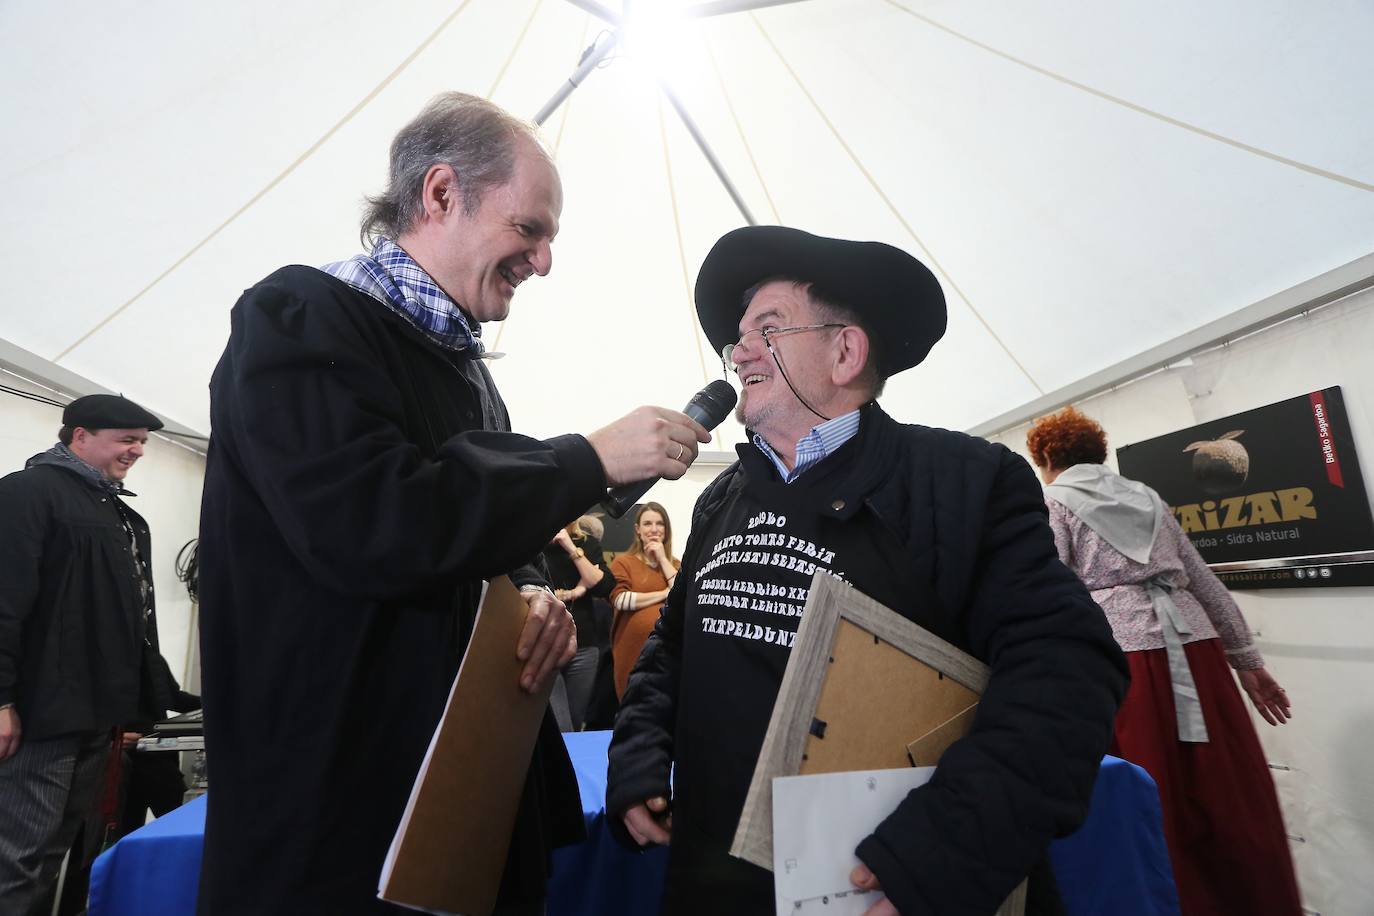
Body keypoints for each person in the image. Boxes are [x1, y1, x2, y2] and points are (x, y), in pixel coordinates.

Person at [197, 91, 711, 915]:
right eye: (529, 230)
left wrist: (533, 598)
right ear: (441, 194)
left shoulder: (474, 377)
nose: (542, 261)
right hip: (341, 827)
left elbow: (480, 556)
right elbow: (373, 525)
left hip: (467, 813)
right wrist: (588, 458)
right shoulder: (300, 319)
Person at [606, 226, 1130, 916]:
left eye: (767, 329)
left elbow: (1064, 671)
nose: (737, 353)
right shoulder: (719, 499)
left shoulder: (965, 481)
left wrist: (944, 851)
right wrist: (640, 751)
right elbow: (671, 651)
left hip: (884, 887)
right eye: (737, 337)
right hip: (715, 883)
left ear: (845, 350)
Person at [1027, 406, 1301, 915]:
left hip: (1125, 664)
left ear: (1046, 457)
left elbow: (1052, 593)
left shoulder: (1053, 502)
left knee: (1147, 794)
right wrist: (1249, 663)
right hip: (1199, 655)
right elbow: (1204, 582)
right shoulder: (1148, 498)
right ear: (1098, 452)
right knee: (1223, 786)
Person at [0, 394, 170, 915]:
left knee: (64, 847)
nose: (138, 451)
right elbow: (5, 598)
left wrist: (140, 700)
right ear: (79, 436)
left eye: (142, 442)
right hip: (42, 716)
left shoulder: (117, 512)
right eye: (127, 439)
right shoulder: (27, 493)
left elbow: (132, 616)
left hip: (98, 715)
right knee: (21, 854)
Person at [542, 520, 615, 731]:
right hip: (547, 642)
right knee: (559, 725)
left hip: (583, 644)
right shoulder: (533, 540)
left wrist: (570, 547)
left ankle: (569, 764)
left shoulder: (586, 543)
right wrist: (574, 592)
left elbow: (602, 585)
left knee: (575, 723)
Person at [609, 503, 679, 700]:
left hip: (668, 652)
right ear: (638, 530)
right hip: (631, 651)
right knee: (632, 705)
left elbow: (681, 593)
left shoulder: (676, 565)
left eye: (659, 524)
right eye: (647, 524)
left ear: (666, 530)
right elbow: (621, 600)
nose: (654, 529)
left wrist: (663, 560)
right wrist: (664, 593)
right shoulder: (624, 562)